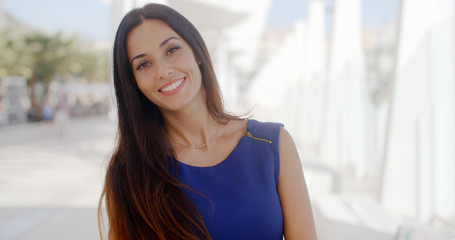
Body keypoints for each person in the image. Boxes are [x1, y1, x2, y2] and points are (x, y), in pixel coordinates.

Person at [99, 3, 317, 240]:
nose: (163, 71)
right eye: (144, 64)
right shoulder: (129, 169)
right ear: (134, 83)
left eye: (171, 50)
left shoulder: (271, 144)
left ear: (197, 52)